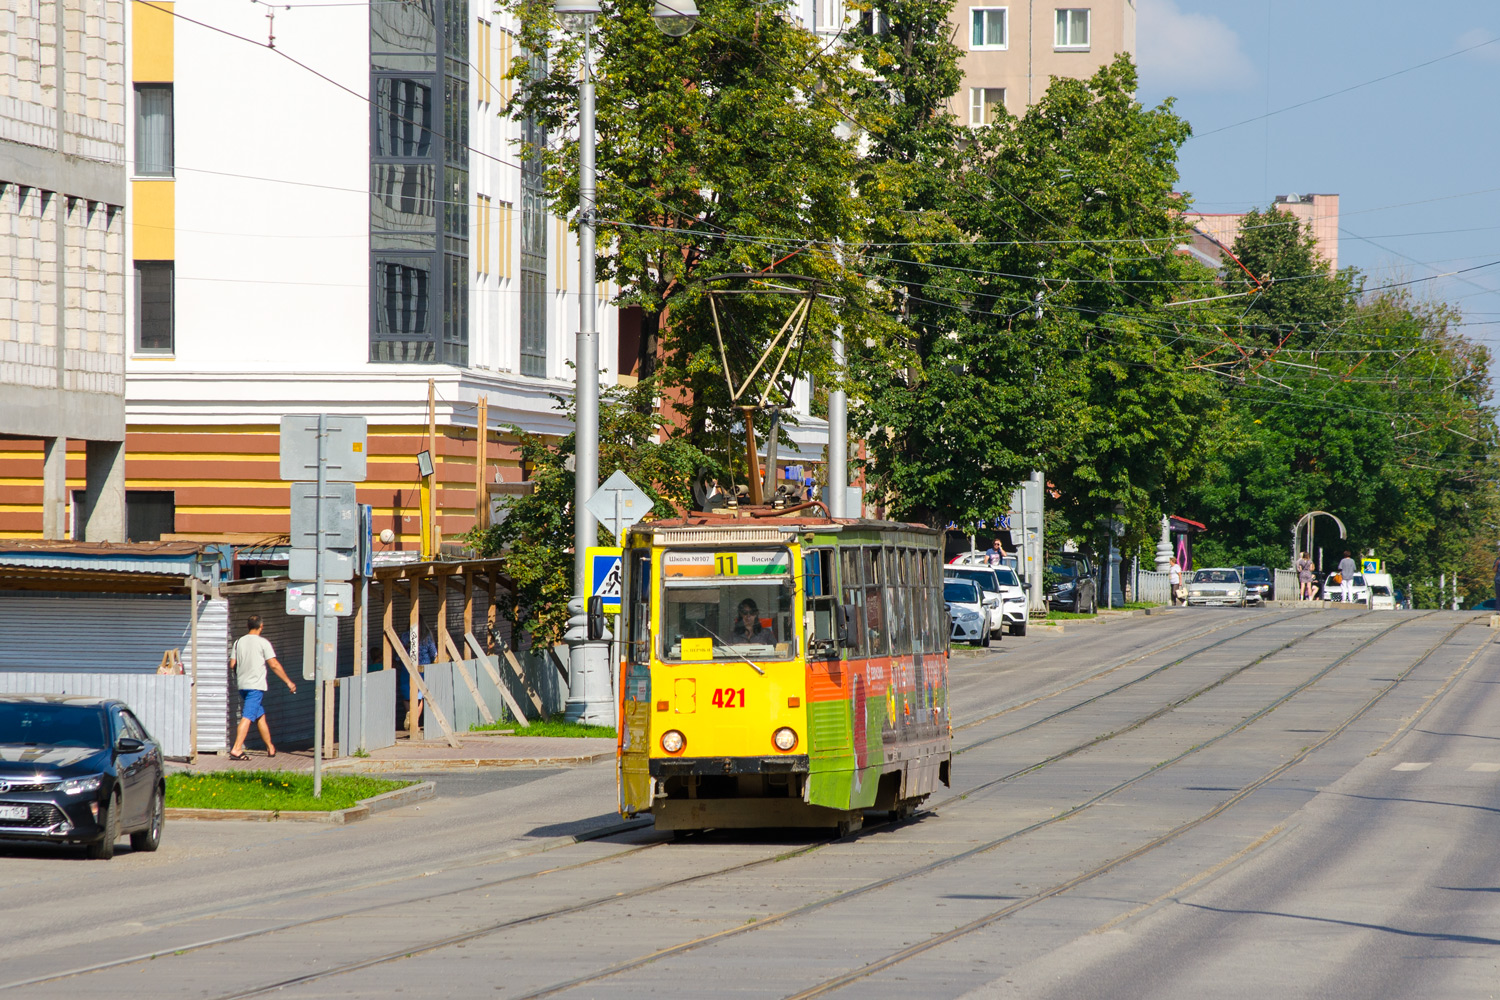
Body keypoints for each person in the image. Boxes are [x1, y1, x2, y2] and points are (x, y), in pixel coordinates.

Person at [228, 614, 297, 760]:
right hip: (255, 686)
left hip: (242, 685)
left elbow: (232, 664)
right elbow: (274, 664)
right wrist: (288, 682)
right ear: (261, 626)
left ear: (247, 626)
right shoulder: (263, 643)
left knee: (260, 716)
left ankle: (270, 747)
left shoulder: (238, 642)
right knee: (247, 716)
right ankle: (237, 749)